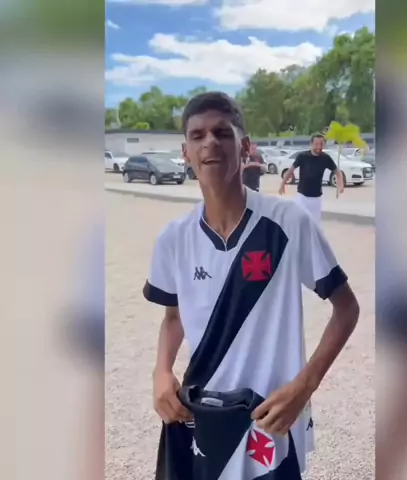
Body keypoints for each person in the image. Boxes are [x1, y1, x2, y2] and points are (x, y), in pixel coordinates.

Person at [143, 91, 359, 479]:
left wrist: (304, 387)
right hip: (203, 415)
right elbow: (173, 318)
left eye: (222, 133)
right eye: (198, 135)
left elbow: (347, 308)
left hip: (271, 419)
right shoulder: (174, 239)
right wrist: (161, 371)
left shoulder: (288, 222)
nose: (210, 142)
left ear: (244, 147)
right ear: (186, 152)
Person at [278, 134, 344, 224]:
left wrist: (340, 185)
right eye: (316, 144)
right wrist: (282, 184)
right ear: (311, 144)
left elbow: (338, 172)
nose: (319, 147)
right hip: (302, 197)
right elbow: (290, 171)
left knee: (314, 224)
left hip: (316, 198)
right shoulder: (303, 156)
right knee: (298, 221)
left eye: (321, 144)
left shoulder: (325, 158)